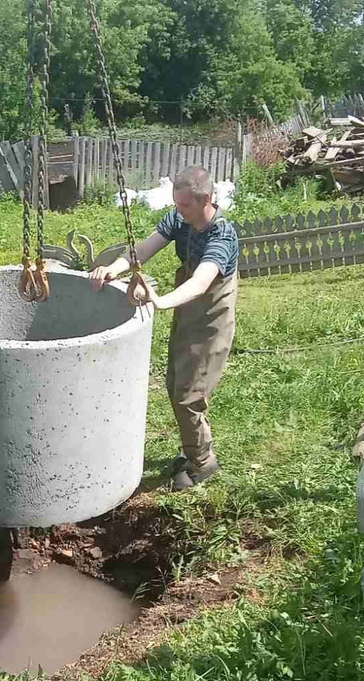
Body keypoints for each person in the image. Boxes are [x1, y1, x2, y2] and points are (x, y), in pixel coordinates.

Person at [89, 165, 239, 490]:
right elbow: (145, 248)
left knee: (188, 394)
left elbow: (200, 282)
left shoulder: (221, 234)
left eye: (185, 205)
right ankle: (192, 451)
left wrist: (160, 300)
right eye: (177, 203)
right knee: (175, 384)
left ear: (206, 200)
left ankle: (203, 464)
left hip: (211, 315)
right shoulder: (179, 219)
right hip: (186, 308)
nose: (178, 210)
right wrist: (115, 268)